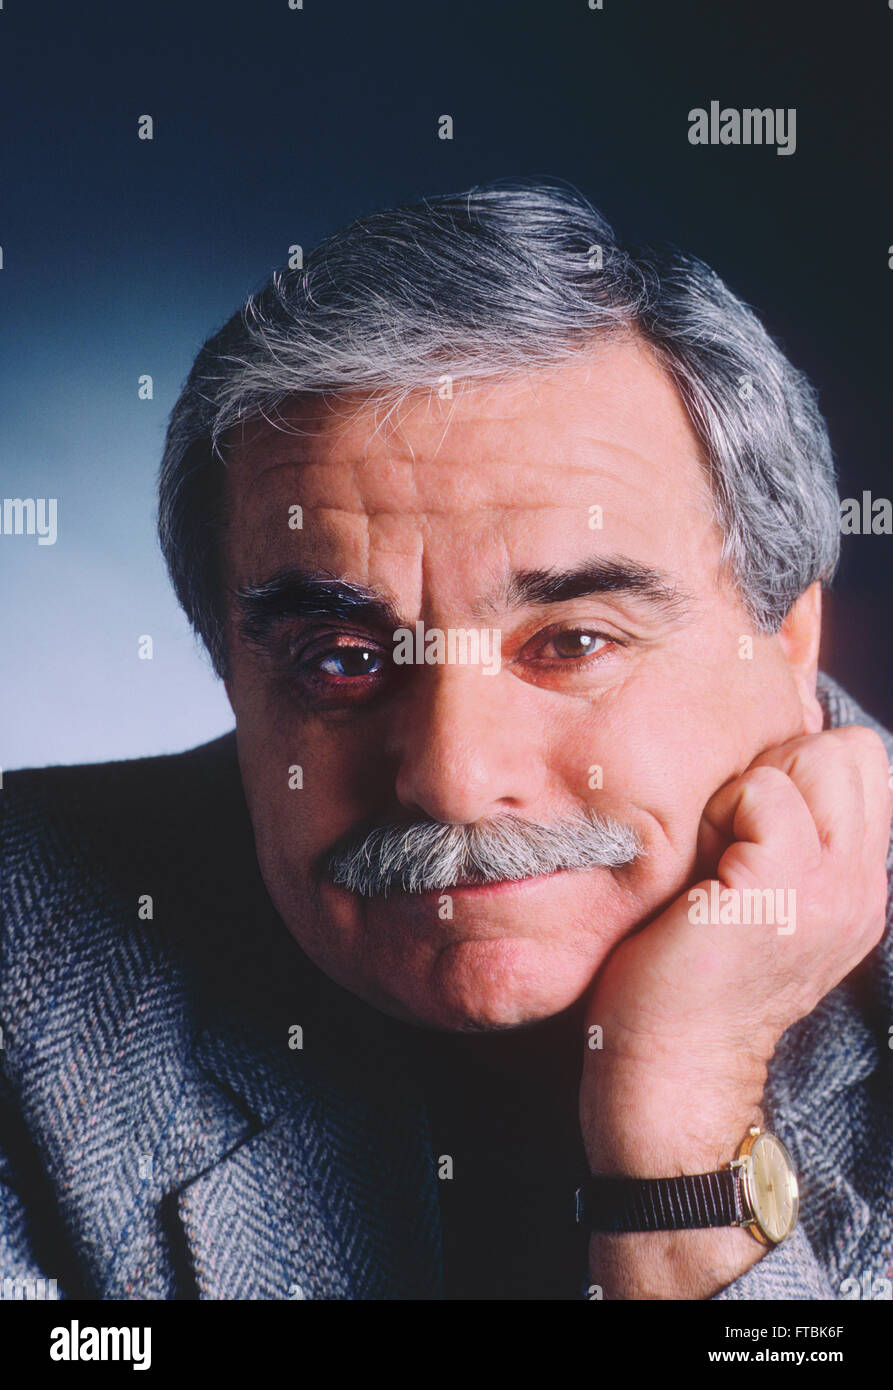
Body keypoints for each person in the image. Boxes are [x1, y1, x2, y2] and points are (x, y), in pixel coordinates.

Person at [2, 181, 891, 1301]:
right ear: (231, 669)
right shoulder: (24, 958)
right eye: (340, 659)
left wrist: (680, 1132)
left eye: (569, 641)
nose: (452, 780)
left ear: (786, 638)